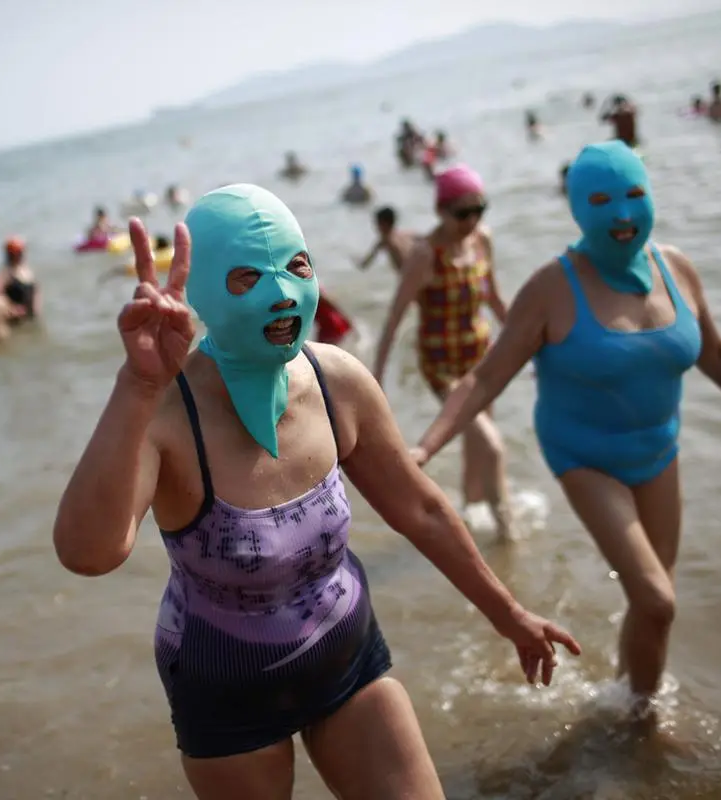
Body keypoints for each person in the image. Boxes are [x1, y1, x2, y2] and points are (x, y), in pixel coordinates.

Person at [52, 185, 580, 799]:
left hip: (346, 654)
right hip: (226, 688)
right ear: (201, 292)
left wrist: (508, 614)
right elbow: (87, 553)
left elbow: (422, 509)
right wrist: (136, 386)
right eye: (247, 277)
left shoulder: (338, 380)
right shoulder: (166, 413)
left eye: (297, 267)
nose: (282, 293)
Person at [408, 142, 721, 716]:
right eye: (603, 201)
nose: (623, 215)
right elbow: (483, 380)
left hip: (660, 449)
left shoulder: (675, 268)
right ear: (579, 210)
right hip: (584, 457)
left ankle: (624, 698)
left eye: (635, 196)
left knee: (654, 599)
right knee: (657, 599)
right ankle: (643, 723)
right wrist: (424, 446)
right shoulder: (552, 288)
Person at [372, 165, 513, 539]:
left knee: (477, 443)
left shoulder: (483, 240)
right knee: (493, 447)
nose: (472, 220)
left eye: (479, 209)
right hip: (444, 367)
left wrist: (531, 341)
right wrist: (375, 379)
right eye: (461, 213)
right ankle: (508, 535)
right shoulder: (424, 255)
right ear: (441, 212)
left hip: (482, 359)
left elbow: (495, 300)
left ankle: (471, 511)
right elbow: (394, 318)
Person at [0, 237, 40, 322]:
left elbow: (36, 287)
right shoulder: (5, 273)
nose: (22, 255)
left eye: (21, 252)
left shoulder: (26, 269)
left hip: (30, 315)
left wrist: (37, 304)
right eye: (19, 252)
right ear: (11, 254)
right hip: (15, 318)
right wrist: (10, 309)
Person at [358, 206, 414, 273]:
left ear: (383, 224)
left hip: (410, 276)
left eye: (377, 223)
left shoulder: (388, 241)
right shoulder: (403, 234)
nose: (375, 227)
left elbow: (365, 264)